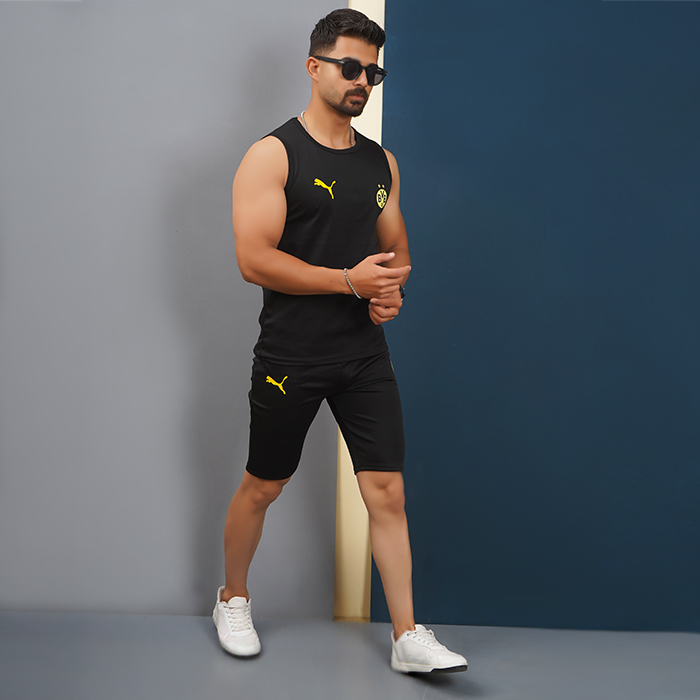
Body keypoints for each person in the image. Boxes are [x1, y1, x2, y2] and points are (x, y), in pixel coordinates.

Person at [213, 8, 467, 674]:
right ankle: (232, 597)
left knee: (387, 491)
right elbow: (254, 260)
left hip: (362, 357)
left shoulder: (381, 163)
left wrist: (391, 292)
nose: (361, 82)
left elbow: (396, 249)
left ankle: (407, 636)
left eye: (372, 73)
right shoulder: (273, 155)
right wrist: (349, 282)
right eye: (350, 67)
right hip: (290, 357)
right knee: (264, 485)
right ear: (314, 67)